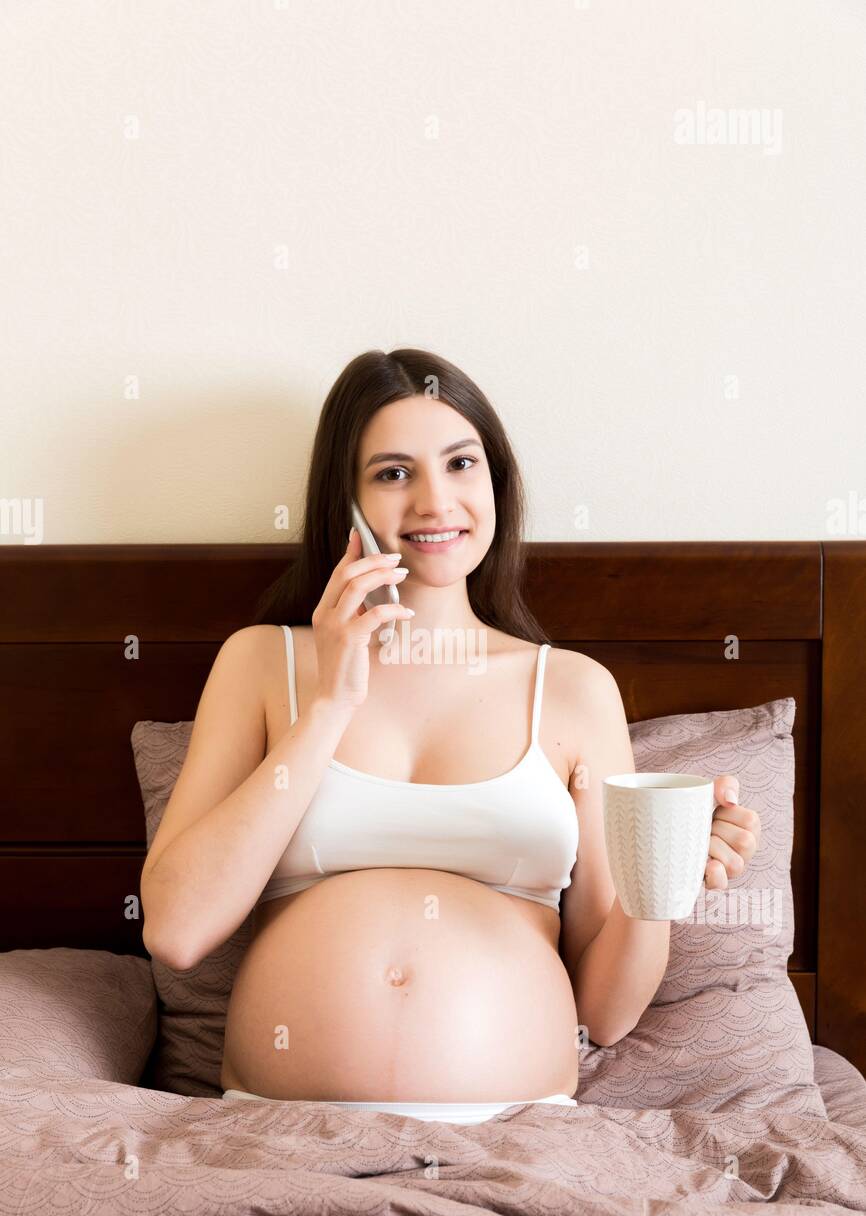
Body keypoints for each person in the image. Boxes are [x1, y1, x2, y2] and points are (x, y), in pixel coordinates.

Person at [141, 347, 762, 1125]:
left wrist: (661, 872)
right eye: (393, 473)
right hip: (286, 1131)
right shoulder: (263, 662)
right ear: (349, 501)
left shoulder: (570, 689)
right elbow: (175, 929)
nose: (435, 500)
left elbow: (606, 1015)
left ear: (495, 481)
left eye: (461, 463)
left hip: (514, 1138)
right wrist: (332, 703)